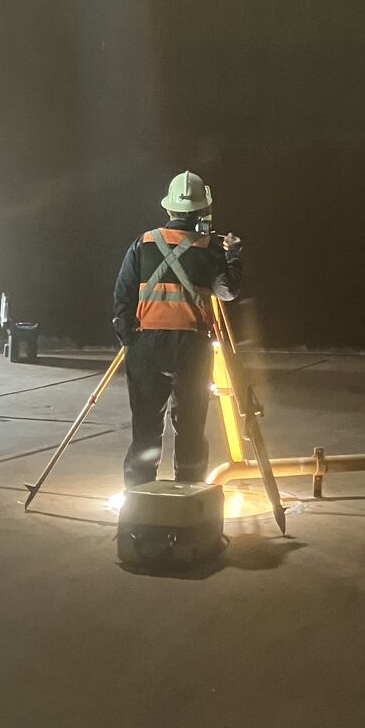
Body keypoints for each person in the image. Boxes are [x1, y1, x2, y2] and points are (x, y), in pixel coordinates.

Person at [112, 170, 242, 489]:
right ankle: (188, 496)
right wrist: (233, 254)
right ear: (202, 212)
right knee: (190, 429)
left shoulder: (143, 243)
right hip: (191, 348)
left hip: (147, 346)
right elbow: (227, 291)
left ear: (169, 210)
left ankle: (141, 500)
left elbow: (122, 296)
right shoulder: (209, 247)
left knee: (145, 428)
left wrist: (131, 339)